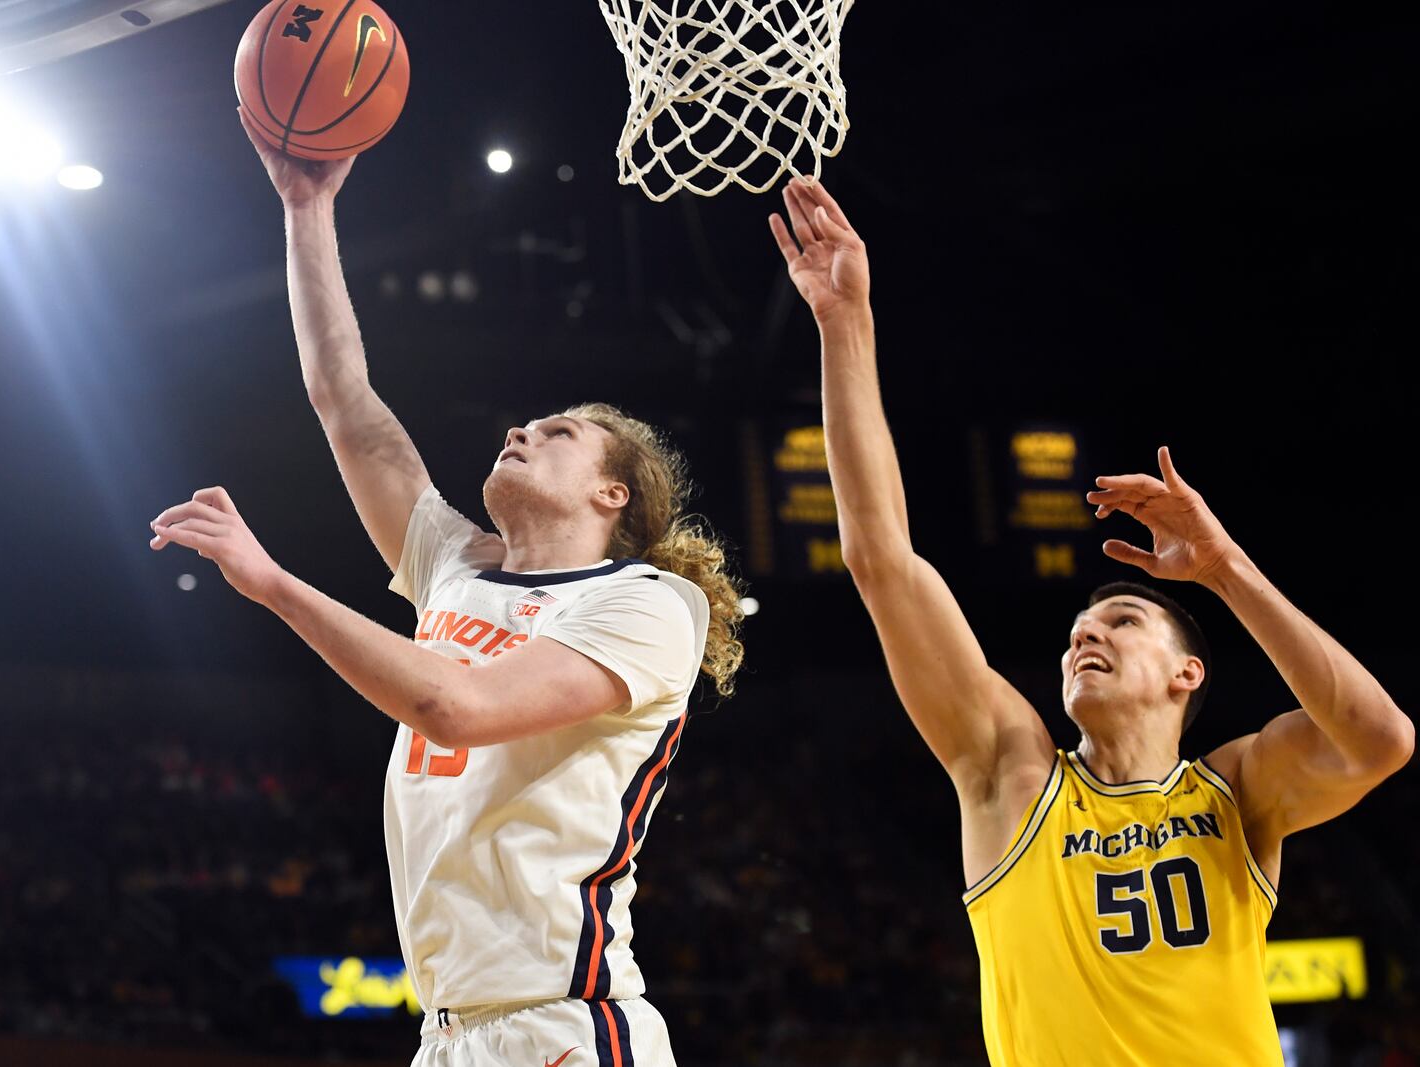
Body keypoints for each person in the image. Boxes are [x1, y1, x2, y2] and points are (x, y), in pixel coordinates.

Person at [769, 175, 1413, 1066]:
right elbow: (882, 560)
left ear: (1189, 673)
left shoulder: (1240, 791)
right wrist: (846, 324)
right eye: (1079, 626)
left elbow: (1380, 738)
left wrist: (1226, 569)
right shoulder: (1010, 772)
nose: (1084, 633)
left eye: (1119, 617)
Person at [147, 115, 744, 1067]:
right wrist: (308, 207)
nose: (520, 430)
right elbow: (344, 401)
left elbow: (453, 705)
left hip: (566, 1024)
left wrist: (274, 585)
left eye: (556, 432)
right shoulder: (457, 565)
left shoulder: (650, 603)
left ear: (612, 492)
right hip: (449, 1034)